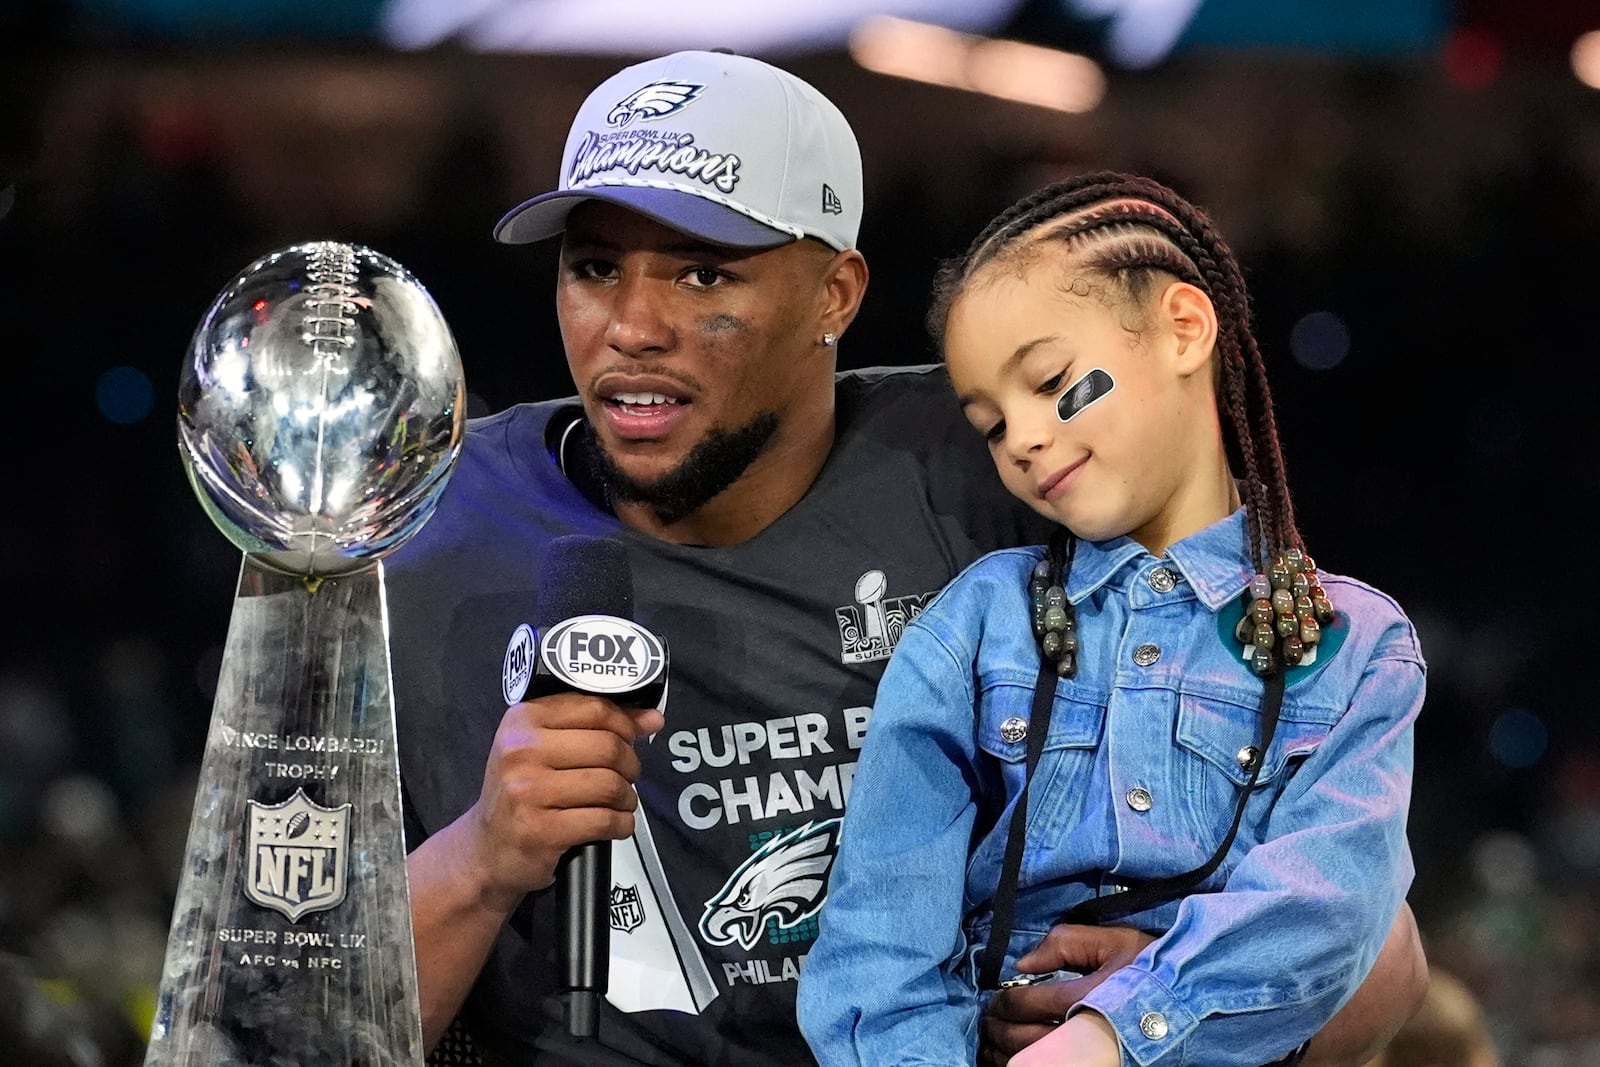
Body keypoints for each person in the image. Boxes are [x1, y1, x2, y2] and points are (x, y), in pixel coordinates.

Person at [383, 52, 1426, 1067]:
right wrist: (480, 860)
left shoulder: (1003, 473)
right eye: (594, 267)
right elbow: (275, 1019)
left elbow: (1382, 968)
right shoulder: (432, 531)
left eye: (703, 271)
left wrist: (1168, 1002)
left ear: (835, 295)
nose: (631, 325)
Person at [795, 171, 1427, 1067]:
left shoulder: (1357, 647)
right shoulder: (975, 626)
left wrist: (1113, 1035)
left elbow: (1330, 901)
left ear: (1184, 327)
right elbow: (881, 936)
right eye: (988, 423)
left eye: (1051, 381)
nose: (1020, 437)